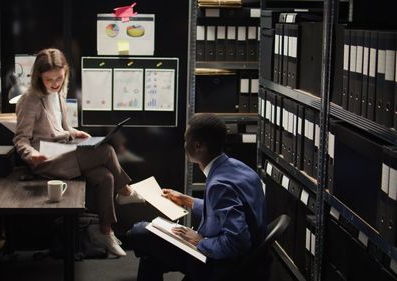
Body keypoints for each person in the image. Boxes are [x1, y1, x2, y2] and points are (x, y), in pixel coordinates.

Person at [13, 48, 144, 257]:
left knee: (106, 177)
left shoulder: (59, 91)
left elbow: (57, 126)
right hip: (47, 159)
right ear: (39, 76)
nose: (55, 83)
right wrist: (31, 155)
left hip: (64, 149)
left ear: (65, 72)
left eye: (59, 77)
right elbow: (21, 139)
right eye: (49, 80)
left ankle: (105, 232)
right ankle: (126, 191)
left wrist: (72, 131)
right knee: (107, 151)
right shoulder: (29, 99)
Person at [127, 113, 266, 280]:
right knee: (150, 257)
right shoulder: (239, 167)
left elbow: (237, 242)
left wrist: (199, 241)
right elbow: (224, 212)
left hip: (222, 266)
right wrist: (188, 201)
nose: (184, 145)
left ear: (198, 146)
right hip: (250, 262)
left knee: (140, 232)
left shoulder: (218, 184)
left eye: (187, 140)